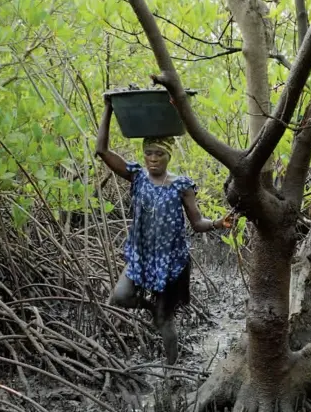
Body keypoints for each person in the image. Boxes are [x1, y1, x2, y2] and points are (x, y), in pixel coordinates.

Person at [95, 95, 232, 365]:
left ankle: (171, 369)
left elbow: (197, 223)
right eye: (149, 153)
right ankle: (152, 309)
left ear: (168, 156)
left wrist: (218, 223)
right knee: (120, 296)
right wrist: (109, 108)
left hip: (170, 262)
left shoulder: (181, 185)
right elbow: (102, 150)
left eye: (159, 154)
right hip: (141, 256)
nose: (153, 159)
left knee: (165, 322)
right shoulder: (136, 176)